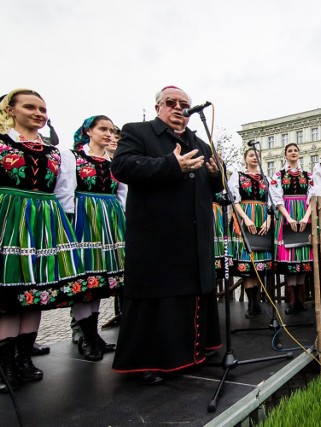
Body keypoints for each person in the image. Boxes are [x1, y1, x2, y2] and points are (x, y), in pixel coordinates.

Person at [111, 86, 224, 385]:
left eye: (183, 104)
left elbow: (209, 189)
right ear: (158, 106)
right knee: (158, 299)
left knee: (191, 294)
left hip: (194, 234)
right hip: (156, 235)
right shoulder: (138, 131)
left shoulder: (199, 142)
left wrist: (215, 175)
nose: (178, 108)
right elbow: (122, 166)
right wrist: (171, 164)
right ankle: (147, 361)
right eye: (171, 103)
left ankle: (194, 352)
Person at [0, 89, 84, 393]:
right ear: (11, 110)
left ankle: (24, 358)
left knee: (36, 292)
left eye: (42, 108)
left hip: (46, 219)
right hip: (9, 216)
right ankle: (5, 363)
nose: (38, 113)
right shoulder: (0, 144)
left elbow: (64, 192)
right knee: (9, 294)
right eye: (30, 107)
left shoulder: (56, 153)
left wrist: (65, 227)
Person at [58, 115, 126, 361]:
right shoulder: (72, 157)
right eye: (103, 129)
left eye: (111, 130)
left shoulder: (114, 162)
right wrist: (68, 226)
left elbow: (122, 195)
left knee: (99, 283)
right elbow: (64, 191)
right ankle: (86, 337)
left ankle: (94, 334)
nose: (108, 134)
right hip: (84, 218)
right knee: (84, 281)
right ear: (89, 131)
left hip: (111, 221)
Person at [228, 149, 273, 318]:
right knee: (247, 263)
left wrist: (268, 220)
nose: (255, 158)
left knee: (259, 262)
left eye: (257, 155)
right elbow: (235, 200)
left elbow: (271, 202)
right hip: (245, 218)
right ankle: (252, 303)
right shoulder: (238, 176)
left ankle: (256, 303)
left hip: (262, 218)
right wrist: (246, 219)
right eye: (252, 155)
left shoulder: (265, 178)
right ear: (245, 158)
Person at [271, 143, 315, 314]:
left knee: (302, 254)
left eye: (295, 151)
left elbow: (312, 196)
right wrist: (288, 216)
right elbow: (277, 198)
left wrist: (306, 216)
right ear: (285, 155)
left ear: (299, 154)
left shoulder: (308, 175)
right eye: (290, 151)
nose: (293, 153)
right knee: (289, 255)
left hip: (304, 214)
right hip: (287, 215)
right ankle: (291, 300)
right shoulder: (279, 175)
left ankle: (301, 299)